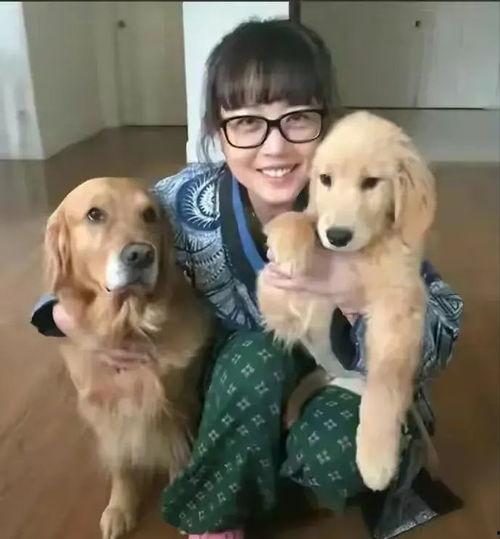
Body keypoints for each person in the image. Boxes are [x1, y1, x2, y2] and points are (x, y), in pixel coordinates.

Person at [31, 19, 463, 539]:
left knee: (338, 458)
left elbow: (441, 322)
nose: (274, 148)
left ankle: (269, 481)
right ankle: (223, 508)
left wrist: (355, 297)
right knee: (254, 358)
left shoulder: (364, 207)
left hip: (340, 383)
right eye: (247, 123)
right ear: (218, 132)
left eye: (297, 119)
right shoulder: (176, 203)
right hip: (241, 385)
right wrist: (70, 322)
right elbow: (91, 258)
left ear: (327, 125)